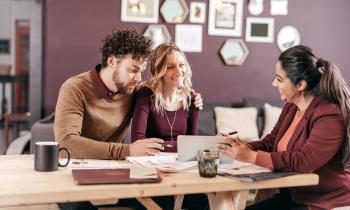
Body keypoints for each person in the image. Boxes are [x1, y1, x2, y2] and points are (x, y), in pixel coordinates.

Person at [54, 28, 203, 210]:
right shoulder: (74, 88)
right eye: (133, 70)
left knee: (189, 199)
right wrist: (128, 150)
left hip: (115, 170)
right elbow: (66, 144)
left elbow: (161, 93)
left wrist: (190, 96)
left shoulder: (133, 91)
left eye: (141, 70)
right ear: (112, 62)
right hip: (74, 169)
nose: (139, 78)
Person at [217, 45, 350, 210]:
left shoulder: (329, 116)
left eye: (279, 79)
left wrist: (250, 156)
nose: (274, 83)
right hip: (293, 197)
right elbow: (271, 142)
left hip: (321, 201)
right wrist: (241, 147)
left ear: (300, 84)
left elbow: (303, 161)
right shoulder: (291, 107)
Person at [131, 42, 199, 152]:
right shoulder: (146, 95)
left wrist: (160, 145)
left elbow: (192, 145)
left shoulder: (191, 99)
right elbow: (137, 142)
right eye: (170, 67)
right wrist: (180, 146)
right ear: (158, 70)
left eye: (181, 65)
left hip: (181, 163)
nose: (179, 71)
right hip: (150, 161)